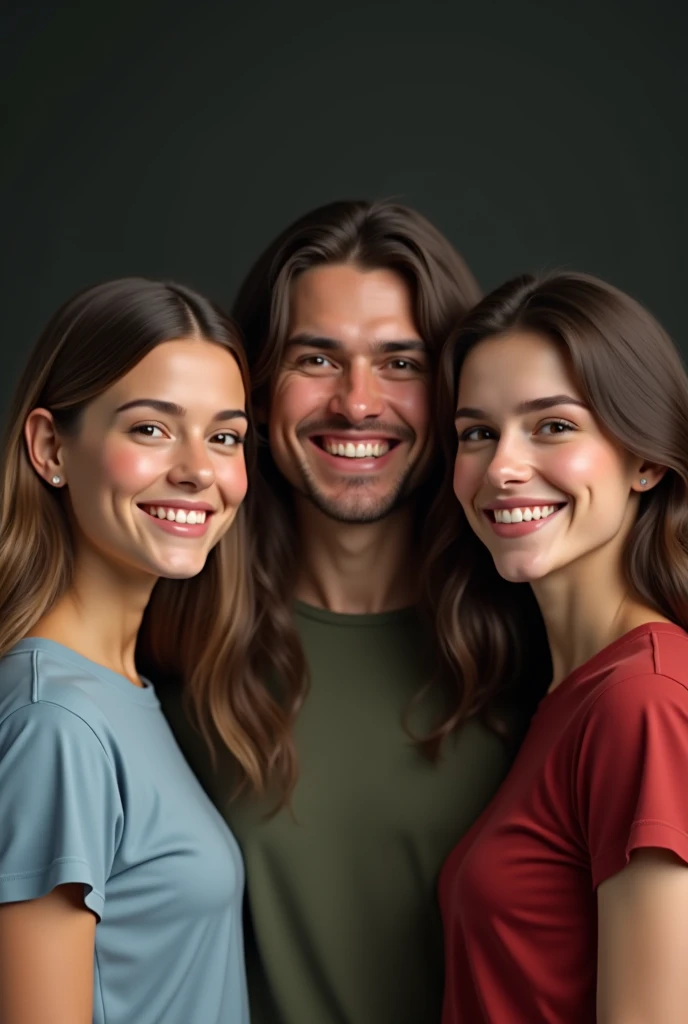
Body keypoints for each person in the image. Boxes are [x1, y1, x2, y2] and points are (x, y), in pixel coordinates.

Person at [159, 199, 520, 1024]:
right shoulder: (170, 643)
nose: (357, 404)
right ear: (253, 382)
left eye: (400, 363)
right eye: (316, 358)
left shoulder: (532, 652)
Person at [0, 277, 261, 1024]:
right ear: (51, 447)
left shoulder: (122, 691)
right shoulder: (55, 723)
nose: (198, 471)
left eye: (225, 436)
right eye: (151, 429)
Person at [435, 270, 688, 1023]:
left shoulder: (644, 702)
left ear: (645, 460)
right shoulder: (570, 695)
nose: (503, 467)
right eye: (477, 432)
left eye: (553, 425)